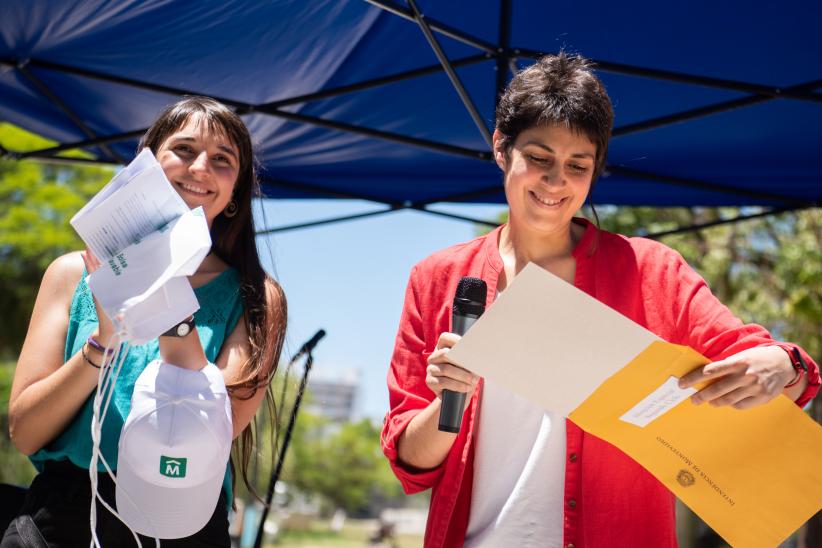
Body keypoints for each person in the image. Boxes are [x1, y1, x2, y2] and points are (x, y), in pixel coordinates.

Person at [381, 53, 820, 548]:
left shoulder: (652, 271)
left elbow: (775, 370)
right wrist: (447, 400)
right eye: (539, 158)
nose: (555, 182)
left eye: (577, 166)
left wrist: (783, 364)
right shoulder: (437, 279)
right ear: (501, 149)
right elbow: (412, 465)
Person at [3, 96, 286, 547]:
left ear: (235, 193)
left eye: (222, 159)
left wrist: (164, 296)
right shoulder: (72, 274)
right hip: (63, 514)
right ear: (148, 164)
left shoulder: (256, 298)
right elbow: (25, 432)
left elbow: (210, 428)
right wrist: (102, 343)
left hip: (181, 518)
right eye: (185, 150)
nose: (200, 168)